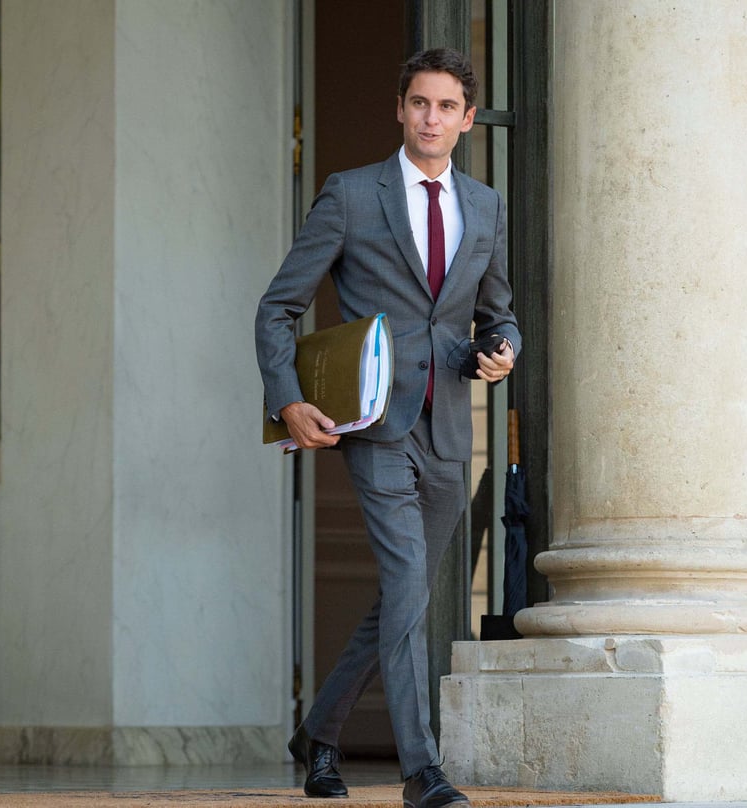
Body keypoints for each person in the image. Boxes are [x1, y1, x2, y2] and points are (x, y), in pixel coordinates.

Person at [255, 48, 520, 808]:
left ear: (466, 121)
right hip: (369, 421)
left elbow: (496, 311)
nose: (430, 118)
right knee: (407, 583)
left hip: (448, 424)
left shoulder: (486, 205)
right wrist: (286, 399)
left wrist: (504, 350)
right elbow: (277, 307)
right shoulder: (348, 196)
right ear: (399, 109)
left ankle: (320, 733)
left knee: (403, 596)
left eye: (445, 107)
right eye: (418, 104)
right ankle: (421, 772)